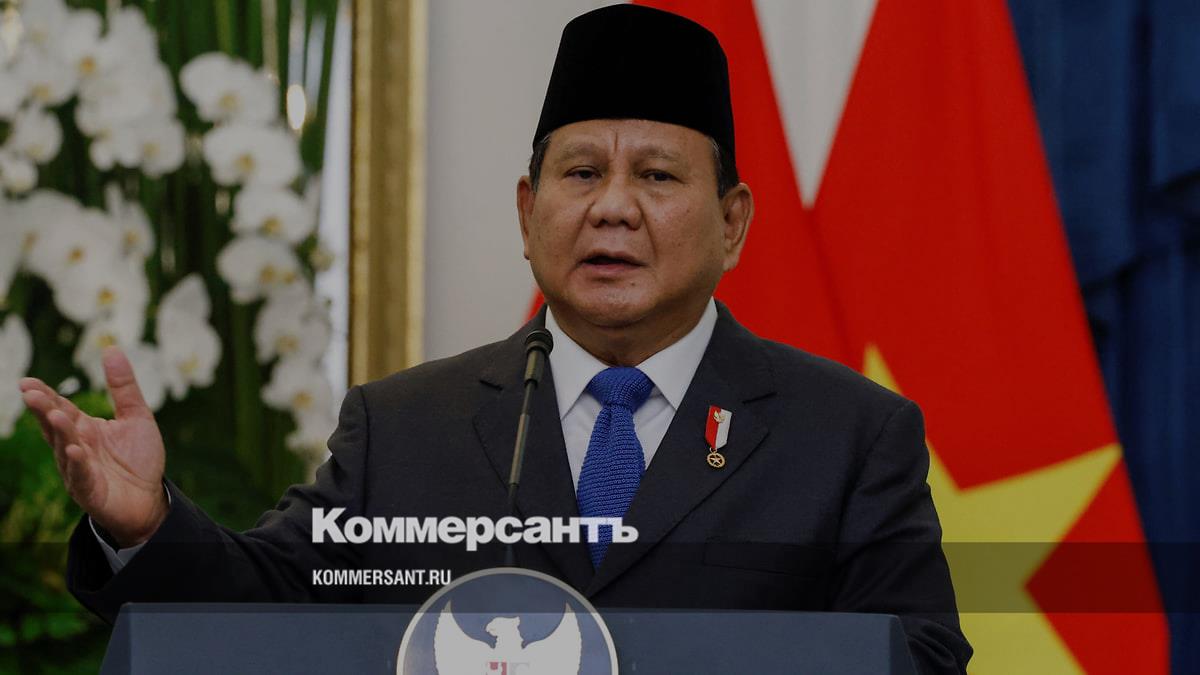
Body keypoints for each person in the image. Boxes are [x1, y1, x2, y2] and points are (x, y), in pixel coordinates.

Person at [20, 5, 971, 673]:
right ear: (527, 212)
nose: (612, 207)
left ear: (732, 223)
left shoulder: (846, 435)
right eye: (582, 172)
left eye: (657, 176)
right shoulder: (404, 428)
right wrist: (145, 525)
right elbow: (265, 609)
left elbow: (919, 658)